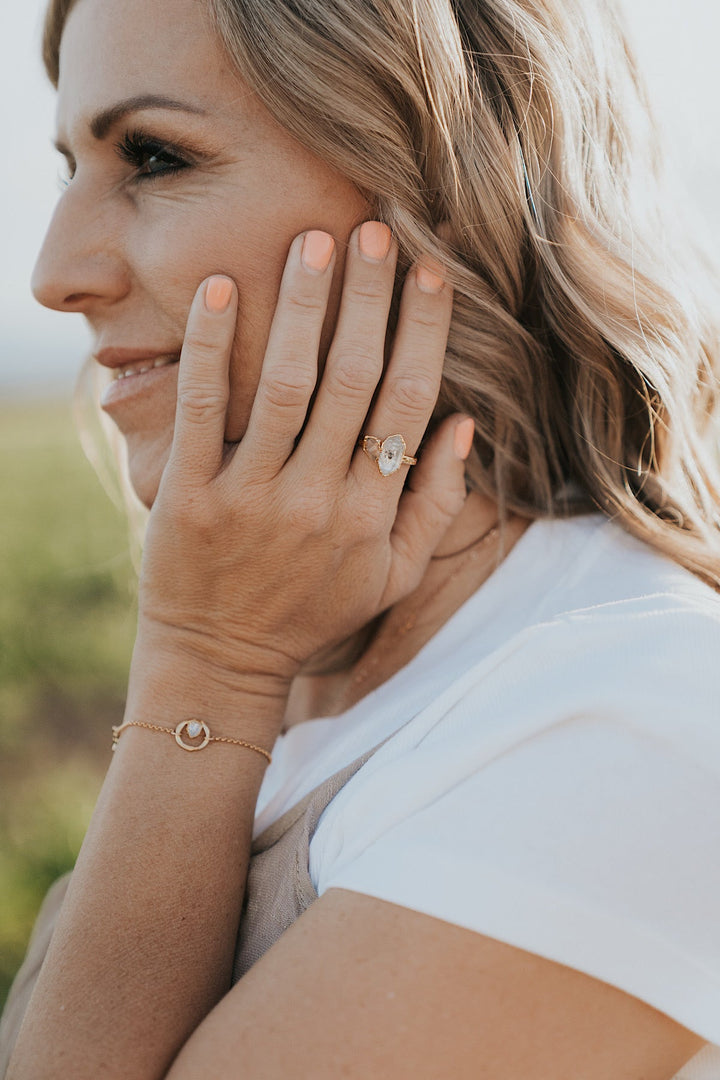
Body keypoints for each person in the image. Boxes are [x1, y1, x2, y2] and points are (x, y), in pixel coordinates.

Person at [2, 0, 720, 1074]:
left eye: (152, 155)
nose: (56, 274)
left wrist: (207, 669)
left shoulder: (644, 713)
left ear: (441, 193)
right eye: (71, 165)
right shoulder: (309, 649)